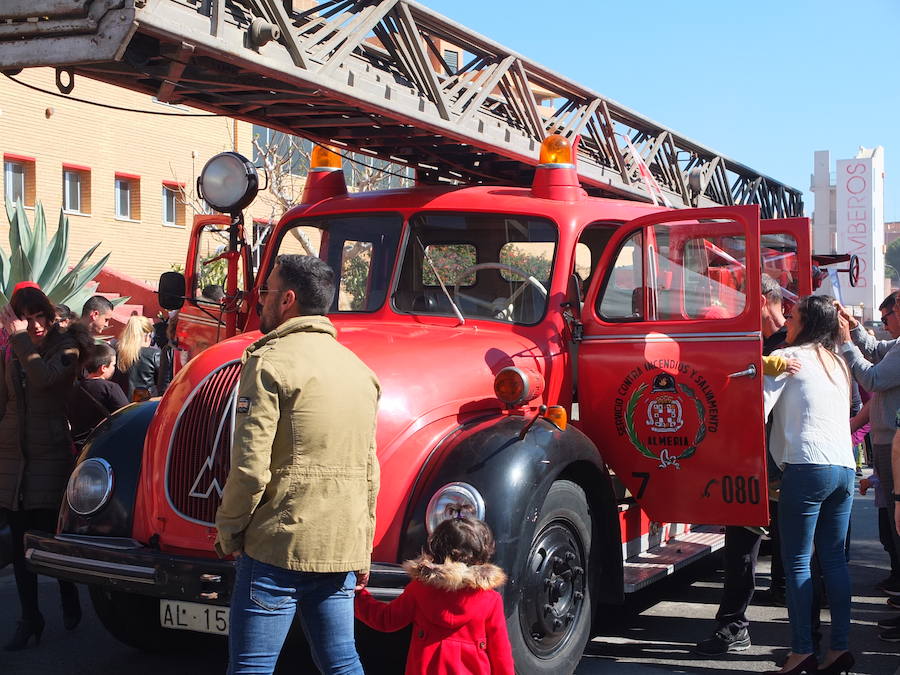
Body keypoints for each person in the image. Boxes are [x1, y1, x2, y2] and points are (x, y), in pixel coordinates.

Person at [214, 254, 380, 675]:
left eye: (266, 291)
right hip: (339, 545)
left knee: (251, 667)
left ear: (287, 299)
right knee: (342, 663)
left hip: (278, 544)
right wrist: (362, 549)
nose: (261, 300)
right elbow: (369, 472)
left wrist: (229, 530)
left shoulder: (269, 362)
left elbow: (250, 467)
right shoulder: (360, 371)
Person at [694, 274, 789, 656]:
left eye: (746, 302)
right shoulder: (760, 346)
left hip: (782, 462)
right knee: (741, 548)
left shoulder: (792, 348)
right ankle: (734, 625)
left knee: (798, 552)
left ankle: (806, 639)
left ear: (765, 300)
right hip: (753, 461)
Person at [765, 295, 854, 675]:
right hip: (844, 467)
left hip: (806, 465)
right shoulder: (837, 362)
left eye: (793, 316)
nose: (787, 320)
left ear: (807, 323)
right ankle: (840, 649)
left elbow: (755, 408)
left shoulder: (788, 360)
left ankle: (801, 650)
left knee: (798, 561)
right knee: (834, 560)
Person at [0, 286, 92, 650]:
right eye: (28, 318)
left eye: (41, 317)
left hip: (49, 456)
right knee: (22, 545)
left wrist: (20, 340)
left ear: (50, 316)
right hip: (13, 459)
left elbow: (43, 380)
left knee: (52, 538)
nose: (36, 325)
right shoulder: (11, 349)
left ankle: (68, 594)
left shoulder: (66, 348)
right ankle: (30, 617)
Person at [354, 516, 514, 675]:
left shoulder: (420, 589)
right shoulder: (490, 599)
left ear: (436, 549)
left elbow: (386, 620)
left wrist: (357, 595)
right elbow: (500, 652)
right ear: (482, 554)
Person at [836, 293, 900, 601]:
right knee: (893, 518)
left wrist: (847, 343)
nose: (885, 326)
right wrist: (854, 327)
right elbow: (875, 349)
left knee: (897, 520)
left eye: (886, 318)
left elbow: (871, 378)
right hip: (888, 440)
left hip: (892, 442)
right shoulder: (897, 346)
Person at [68, 342, 129, 449]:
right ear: (103, 368)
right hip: (104, 444)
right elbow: (126, 416)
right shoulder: (110, 388)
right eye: (113, 365)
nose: (114, 368)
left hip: (78, 446)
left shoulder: (74, 388)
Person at [112, 315, 160, 401]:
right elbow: (162, 383)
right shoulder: (154, 355)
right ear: (147, 335)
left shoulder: (115, 352)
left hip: (119, 404)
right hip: (144, 406)